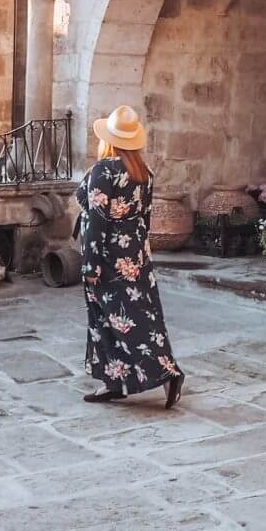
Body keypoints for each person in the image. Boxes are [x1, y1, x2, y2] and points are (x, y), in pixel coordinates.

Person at [73, 104, 184, 406]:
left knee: (111, 318)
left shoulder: (102, 170)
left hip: (108, 256)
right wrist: (142, 256)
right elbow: (145, 218)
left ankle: (163, 373)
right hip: (134, 254)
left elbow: (97, 219)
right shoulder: (144, 172)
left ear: (109, 139)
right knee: (143, 315)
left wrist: (91, 264)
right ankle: (116, 381)